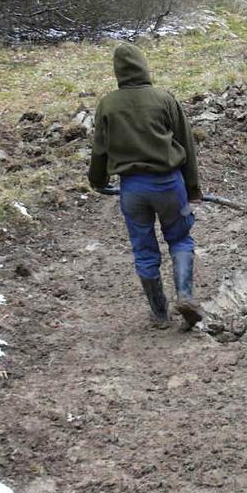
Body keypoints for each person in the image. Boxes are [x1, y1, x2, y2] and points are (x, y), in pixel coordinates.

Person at [87, 43, 204, 330]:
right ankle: (185, 295)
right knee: (180, 238)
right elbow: (186, 145)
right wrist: (193, 189)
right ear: (144, 66)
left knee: (144, 249)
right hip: (169, 184)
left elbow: (100, 150)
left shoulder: (107, 104)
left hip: (132, 189)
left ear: (118, 72)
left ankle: (160, 314)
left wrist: (98, 181)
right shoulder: (164, 99)